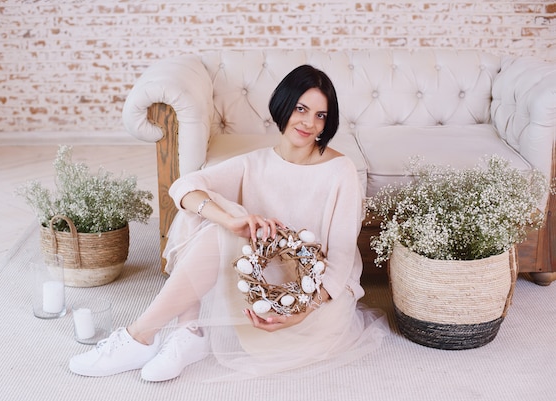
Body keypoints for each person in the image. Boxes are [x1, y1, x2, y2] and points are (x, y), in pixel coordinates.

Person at [69, 64, 389, 381]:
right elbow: (183, 187)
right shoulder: (256, 163)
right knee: (208, 213)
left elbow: (342, 261)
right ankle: (183, 331)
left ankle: (147, 335)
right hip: (258, 284)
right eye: (301, 108)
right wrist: (231, 220)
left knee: (215, 224)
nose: (308, 122)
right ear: (282, 106)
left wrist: (300, 312)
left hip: (310, 299)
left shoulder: (339, 171)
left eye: (320, 115)